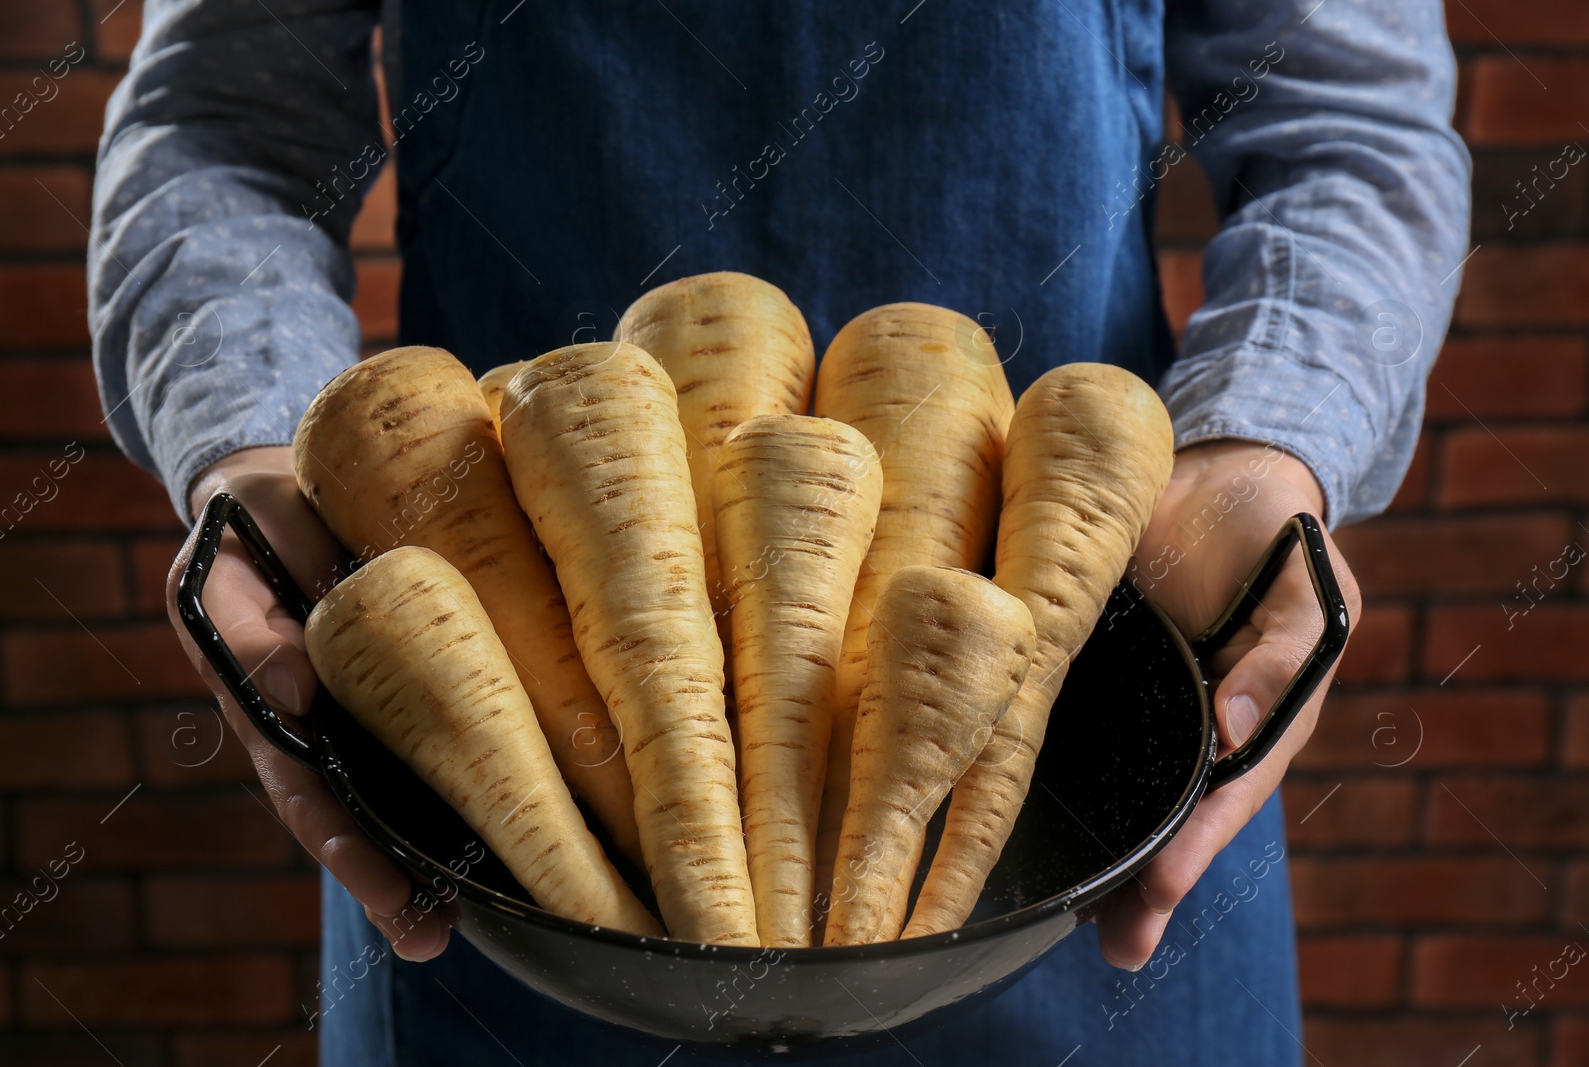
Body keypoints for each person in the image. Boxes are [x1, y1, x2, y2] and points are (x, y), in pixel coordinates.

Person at [89, 1, 1465, 1063]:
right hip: (485, 775)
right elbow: (221, 126)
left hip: (1085, 765)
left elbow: (1348, 121)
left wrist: (1261, 443)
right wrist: (256, 448)